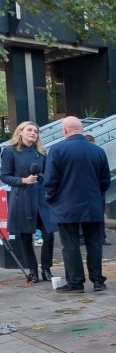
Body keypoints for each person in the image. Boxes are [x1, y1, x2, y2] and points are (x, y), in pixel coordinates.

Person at [43, 117, 110, 293]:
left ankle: (75, 283)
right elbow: (105, 182)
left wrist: (50, 198)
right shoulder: (98, 151)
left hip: (66, 207)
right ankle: (98, 281)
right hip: (92, 206)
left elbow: (50, 180)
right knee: (94, 244)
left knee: (70, 245)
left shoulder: (57, 150)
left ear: (65, 131)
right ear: (81, 129)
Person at [1, 121, 56, 284]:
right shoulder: (10, 151)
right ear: (20, 132)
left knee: (49, 233)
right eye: (30, 130)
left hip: (41, 198)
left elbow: (48, 174)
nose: (33, 133)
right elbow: (4, 175)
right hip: (22, 198)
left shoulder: (41, 153)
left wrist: (43, 180)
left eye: (36, 131)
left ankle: (46, 268)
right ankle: (33, 271)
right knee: (25, 236)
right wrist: (22, 180)